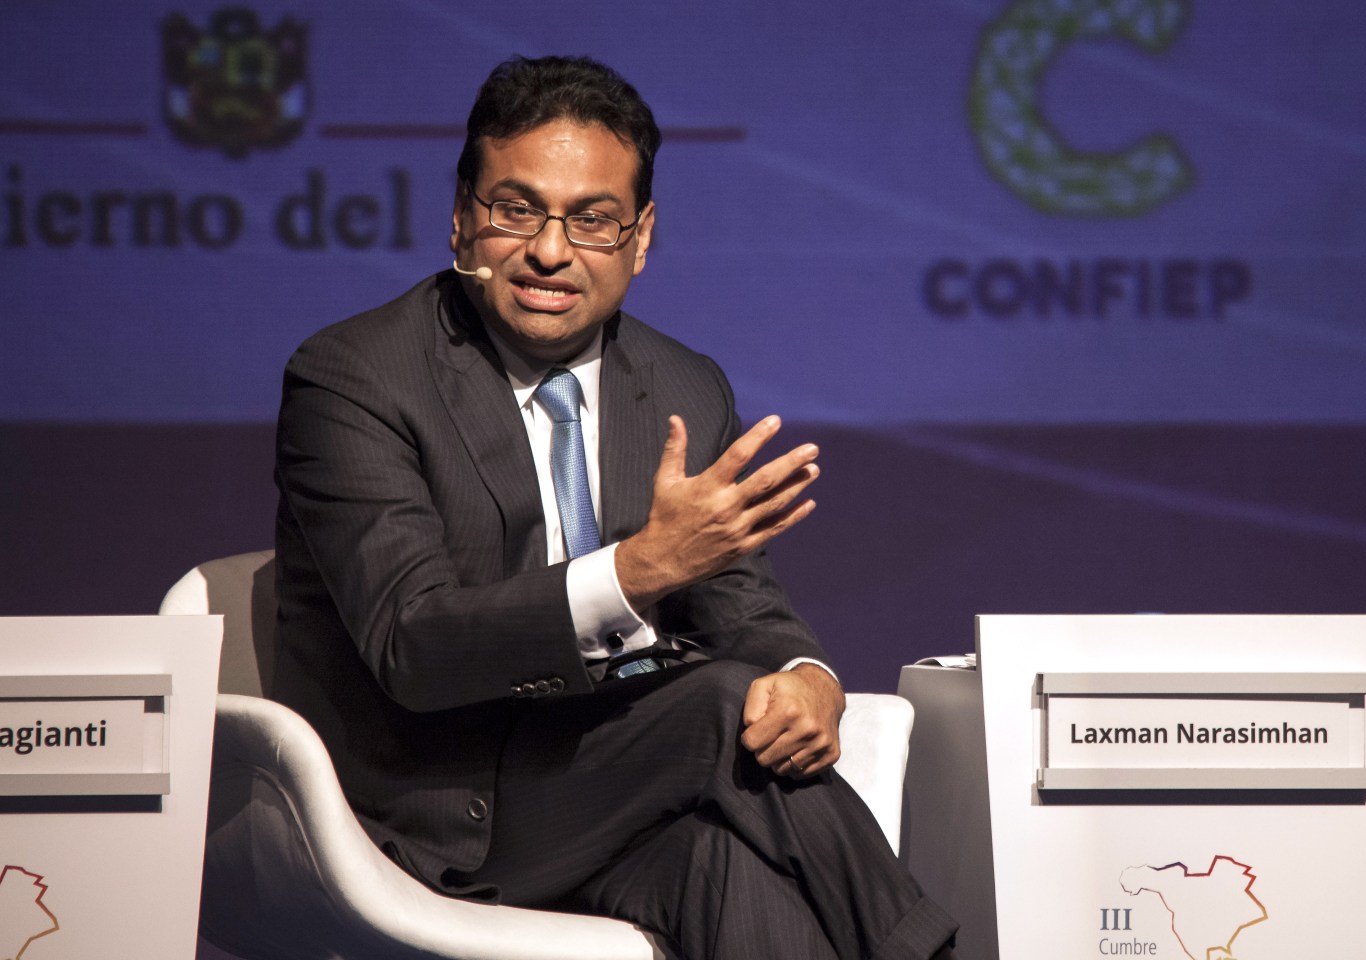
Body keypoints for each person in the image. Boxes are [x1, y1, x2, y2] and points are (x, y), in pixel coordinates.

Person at [271, 54, 957, 960]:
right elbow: (413, 646)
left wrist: (809, 679)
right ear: (460, 220)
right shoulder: (356, 377)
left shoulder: (681, 384)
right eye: (515, 209)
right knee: (718, 705)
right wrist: (639, 571)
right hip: (443, 812)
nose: (550, 251)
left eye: (592, 221)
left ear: (639, 240)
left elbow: (740, 601)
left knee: (735, 879)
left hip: (624, 797)